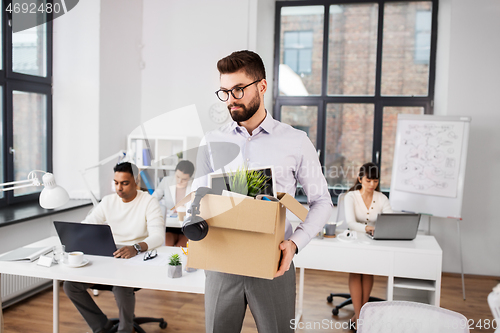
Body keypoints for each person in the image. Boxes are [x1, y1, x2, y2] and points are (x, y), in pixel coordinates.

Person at [191, 50, 332, 333]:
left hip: (274, 263)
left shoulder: (296, 141)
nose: (231, 99)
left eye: (239, 89)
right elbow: (197, 197)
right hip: (221, 263)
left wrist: (294, 244)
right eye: (225, 91)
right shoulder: (211, 141)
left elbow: (321, 202)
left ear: (262, 86)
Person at [63, 162, 164, 333]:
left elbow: (158, 236)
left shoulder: (148, 201)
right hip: (109, 257)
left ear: (136, 180)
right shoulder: (108, 201)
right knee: (70, 285)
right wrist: (75, 235)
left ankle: (126, 329)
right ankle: (102, 327)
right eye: (116, 183)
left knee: (121, 284)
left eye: (124, 183)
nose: (119, 188)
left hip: (135, 258)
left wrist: (135, 247)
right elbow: (88, 224)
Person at [344, 162, 393, 329]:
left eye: (376, 181)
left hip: (374, 242)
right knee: (357, 271)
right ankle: (358, 317)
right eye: (369, 181)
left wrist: (378, 229)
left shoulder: (382, 198)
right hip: (355, 241)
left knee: (368, 271)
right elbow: (350, 223)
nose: (372, 185)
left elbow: (389, 222)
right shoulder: (351, 196)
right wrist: (368, 228)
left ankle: (361, 315)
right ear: (360, 179)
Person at [152, 160, 194, 247]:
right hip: (170, 226)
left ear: (190, 177)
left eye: (184, 179)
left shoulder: (194, 185)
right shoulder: (166, 181)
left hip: (186, 227)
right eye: (177, 177)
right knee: (167, 247)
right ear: (175, 173)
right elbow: (153, 199)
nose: (179, 181)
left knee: (180, 248)